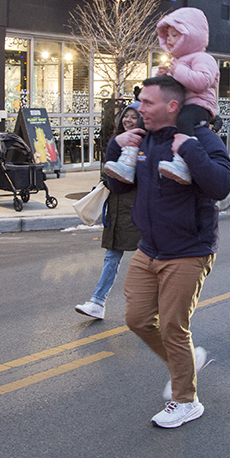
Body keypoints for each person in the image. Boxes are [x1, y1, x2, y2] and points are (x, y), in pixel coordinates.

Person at [104, 75, 230, 429]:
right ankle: (187, 362)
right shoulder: (144, 140)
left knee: (174, 327)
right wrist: (117, 145)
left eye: (147, 102)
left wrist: (188, 148)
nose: (138, 109)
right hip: (150, 249)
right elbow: (116, 183)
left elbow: (221, 185)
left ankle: (186, 400)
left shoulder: (202, 138)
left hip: (188, 249)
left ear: (172, 106)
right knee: (137, 320)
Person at [105, 7, 220, 187]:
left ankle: (181, 161)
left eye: (175, 35)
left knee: (185, 120)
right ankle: (128, 159)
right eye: (168, 35)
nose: (169, 39)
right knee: (142, 124)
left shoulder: (203, 58)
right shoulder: (176, 61)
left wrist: (177, 70)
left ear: (191, 36)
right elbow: (170, 88)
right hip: (179, 104)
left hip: (198, 104)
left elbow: (202, 82)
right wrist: (163, 77)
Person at [75, 102, 144, 320]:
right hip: (116, 206)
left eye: (134, 117)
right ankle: (97, 302)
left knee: (149, 258)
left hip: (136, 208)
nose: (128, 120)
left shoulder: (144, 144)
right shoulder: (118, 140)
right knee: (112, 254)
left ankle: (152, 307)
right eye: (126, 116)